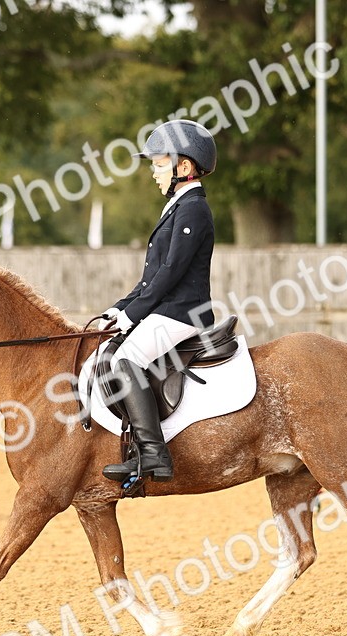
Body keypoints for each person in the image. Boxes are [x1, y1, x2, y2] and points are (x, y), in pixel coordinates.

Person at [99, 119, 217, 484]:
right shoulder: (178, 207)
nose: (153, 171)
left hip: (183, 313)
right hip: (168, 308)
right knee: (110, 351)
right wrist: (120, 308)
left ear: (184, 166)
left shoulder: (193, 208)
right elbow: (151, 278)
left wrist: (133, 314)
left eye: (159, 162)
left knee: (125, 358)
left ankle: (153, 454)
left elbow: (171, 273)